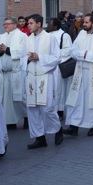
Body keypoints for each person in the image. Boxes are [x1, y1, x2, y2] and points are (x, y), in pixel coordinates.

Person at [22, 14, 63, 149]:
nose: (29, 25)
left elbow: (57, 57)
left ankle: (57, 129)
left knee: (47, 108)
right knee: (32, 109)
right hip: (32, 77)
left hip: (44, 76)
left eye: (31, 23)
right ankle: (40, 138)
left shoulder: (49, 38)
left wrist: (39, 57)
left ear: (39, 24)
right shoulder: (27, 40)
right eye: (28, 23)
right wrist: (28, 59)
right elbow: (23, 57)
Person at [64, 14, 93, 137]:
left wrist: (84, 55)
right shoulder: (81, 34)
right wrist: (85, 54)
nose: (84, 24)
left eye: (87, 22)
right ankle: (74, 126)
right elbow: (73, 51)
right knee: (76, 100)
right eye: (84, 22)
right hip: (80, 72)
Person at [0, 17, 28, 127]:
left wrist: (7, 50)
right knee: (6, 100)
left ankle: (27, 116)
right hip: (4, 73)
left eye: (8, 24)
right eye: (4, 24)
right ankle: (10, 122)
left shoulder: (22, 36)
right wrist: (0, 51)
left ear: (14, 25)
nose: (5, 26)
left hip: (16, 72)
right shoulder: (1, 37)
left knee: (19, 98)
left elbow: (23, 51)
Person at [46, 17, 72, 118]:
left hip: (59, 66)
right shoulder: (47, 36)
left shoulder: (64, 36)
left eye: (50, 24)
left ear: (55, 26)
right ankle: (51, 110)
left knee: (59, 90)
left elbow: (68, 50)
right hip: (49, 66)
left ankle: (60, 110)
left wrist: (56, 54)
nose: (48, 26)